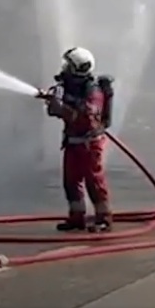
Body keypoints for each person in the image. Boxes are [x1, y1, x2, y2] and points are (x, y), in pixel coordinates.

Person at [39, 46, 115, 233]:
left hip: (90, 144)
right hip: (73, 142)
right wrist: (52, 101)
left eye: (68, 65)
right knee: (71, 181)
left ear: (78, 68)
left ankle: (103, 218)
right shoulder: (67, 87)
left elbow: (86, 119)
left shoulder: (93, 91)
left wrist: (61, 107)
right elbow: (55, 111)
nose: (64, 68)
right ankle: (76, 218)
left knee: (94, 182)